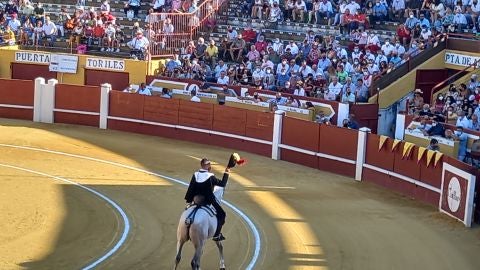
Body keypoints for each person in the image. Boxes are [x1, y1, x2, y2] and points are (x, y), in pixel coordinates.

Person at [184, 158, 230, 241]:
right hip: (207, 201)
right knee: (222, 214)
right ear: (208, 166)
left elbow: (191, 188)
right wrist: (226, 172)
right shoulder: (210, 176)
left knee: (188, 210)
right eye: (209, 164)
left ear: (201, 165)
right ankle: (216, 235)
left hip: (196, 200)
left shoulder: (195, 175)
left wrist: (190, 201)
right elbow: (223, 184)